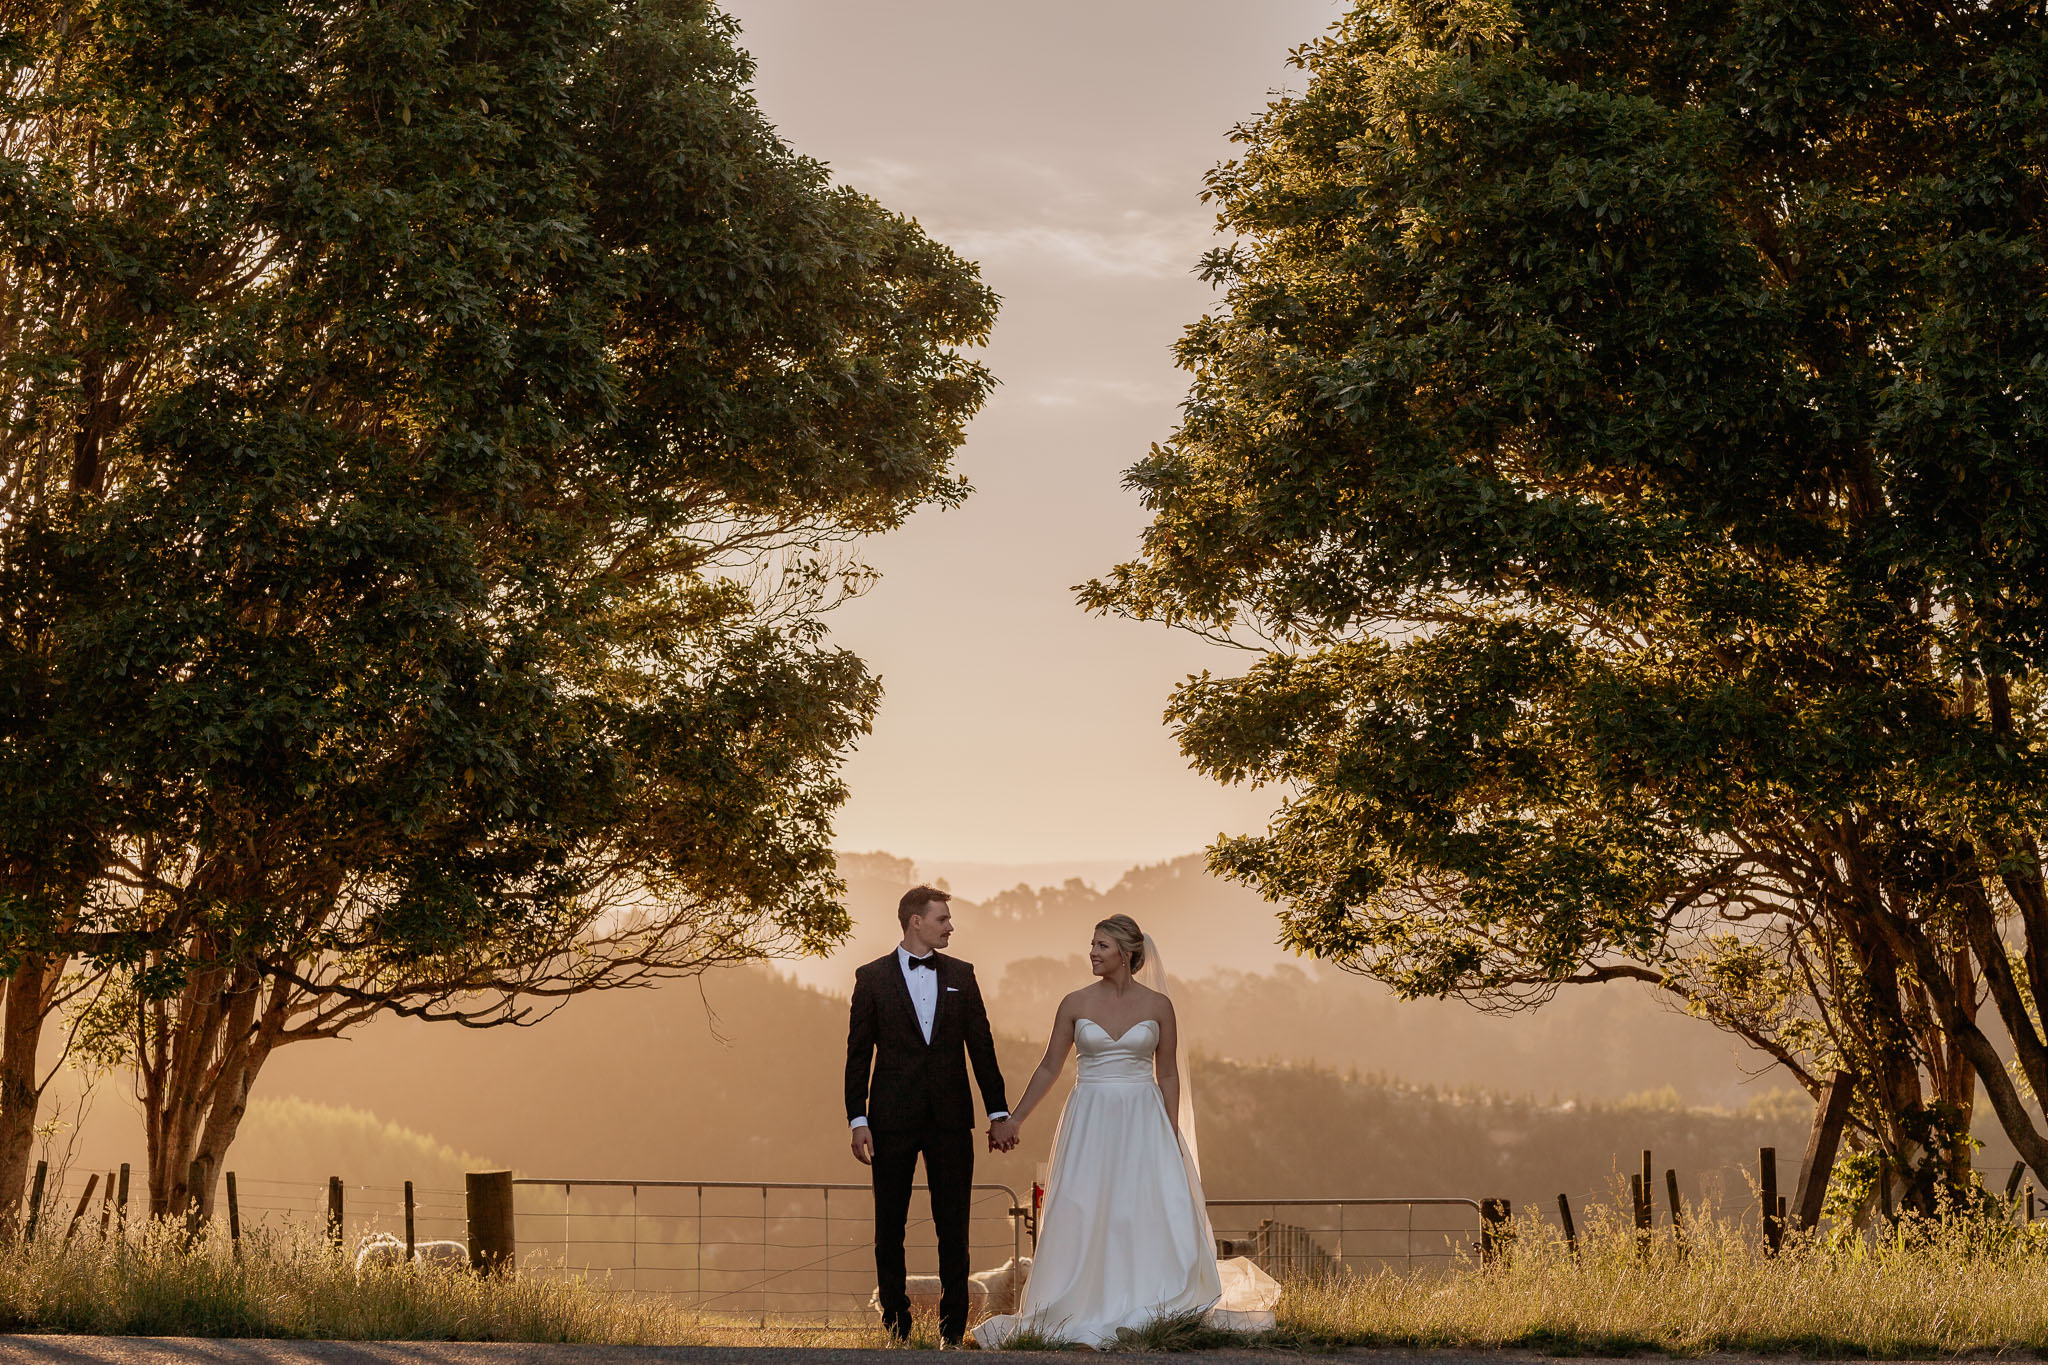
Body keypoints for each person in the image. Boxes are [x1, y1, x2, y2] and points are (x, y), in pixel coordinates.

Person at [975, 913, 1278, 1348]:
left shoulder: (1158, 1006)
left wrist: (1170, 1133)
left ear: (1126, 953)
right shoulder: (1074, 1002)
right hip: (1090, 1115)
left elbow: (1168, 1074)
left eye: (1101, 946)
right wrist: (1015, 1118)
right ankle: (1079, 1306)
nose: (1092, 953)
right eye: (1093, 944)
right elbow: (1048, 1067)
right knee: (1084, 1206)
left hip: (1144, 1117)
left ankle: (1145, 1304)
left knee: (1139, 1210)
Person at [844, 884, 1012, 1345]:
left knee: (953, 1225)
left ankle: (952, 1333)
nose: (950, 926)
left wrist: (998, 1112)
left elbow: (982, 1048)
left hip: (952, 1119)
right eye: (942, 919)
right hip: (890, 1120)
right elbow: (858, 1054)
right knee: (889, 1227)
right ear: (915, 920)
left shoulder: (963, 974)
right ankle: (896, 1329)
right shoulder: (871, 977)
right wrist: (857, 1120)